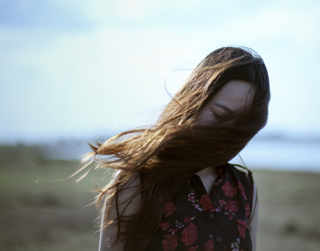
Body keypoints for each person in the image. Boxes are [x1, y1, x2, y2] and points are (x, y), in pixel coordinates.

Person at [75, 46, 270, 251]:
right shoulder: (137, 182)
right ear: (195, 100)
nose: (226, 134)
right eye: (219, 115)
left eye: (240, 126)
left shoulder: (245, 189)